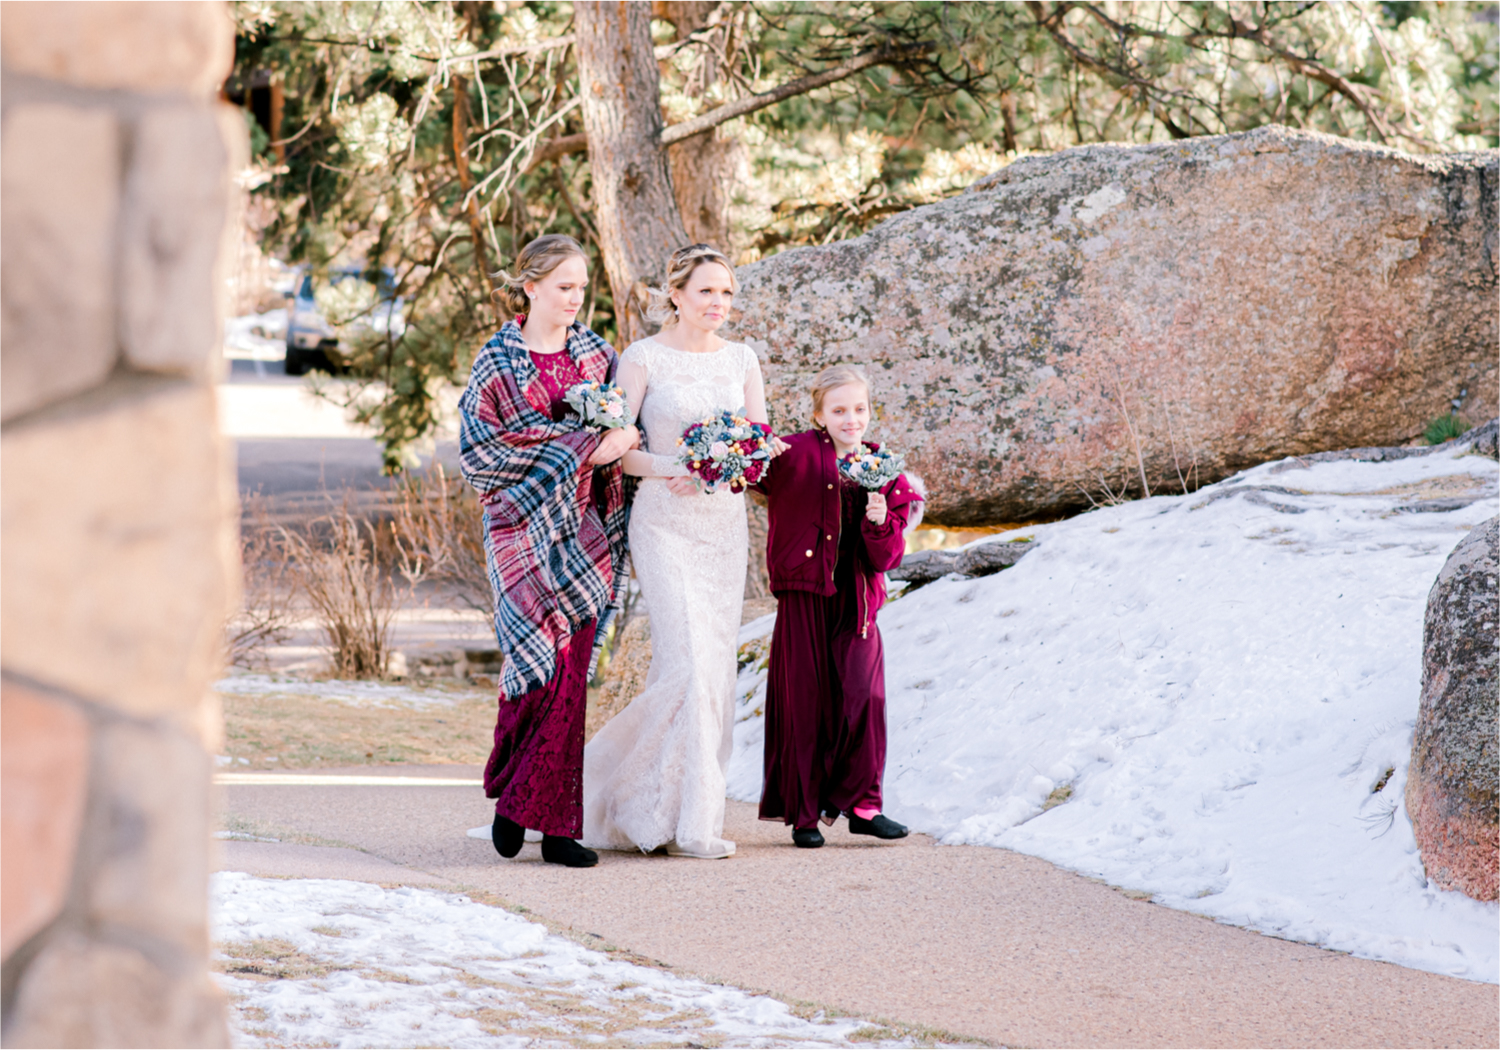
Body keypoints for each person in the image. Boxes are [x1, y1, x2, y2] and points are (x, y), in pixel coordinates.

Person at [582, 243, 779, 859]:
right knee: (686, 661)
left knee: (713, 669)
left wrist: (726, 470)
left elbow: (759, 447)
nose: (719, 303)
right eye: (706, 292)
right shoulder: (641, 359)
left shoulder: (742, 360)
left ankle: (690, 817)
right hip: (663, 521)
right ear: (676, 294)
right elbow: (619, 447)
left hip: (721, 527)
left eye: (726, 293)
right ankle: (634, 802)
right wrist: (682, 464)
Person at [458, 234, 638, 868]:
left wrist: (621, 442)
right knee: (533, 670)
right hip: (518, 533)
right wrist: (581, 447)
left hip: (584, 535)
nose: (574, 299)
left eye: (581, 289)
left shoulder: (596, 356)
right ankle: (513, 793)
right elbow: (481, 455)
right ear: (529, 286)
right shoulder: (497, 362)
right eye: (563, 287)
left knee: (572, 677)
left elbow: (621, 435)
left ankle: (555, 825)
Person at [753, 364, 923, 848]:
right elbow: (743, 473)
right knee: (806, 701)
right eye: (840, 410)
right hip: (805, 593)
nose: (852, 419)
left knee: (864, 697)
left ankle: (864, 807)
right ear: (818, 414)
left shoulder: (886, 470)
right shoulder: (793, 453)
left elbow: (887, 556)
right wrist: (744, 450)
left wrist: (877, 520)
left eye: (860, 409)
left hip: (858, 602)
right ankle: (805, 815)